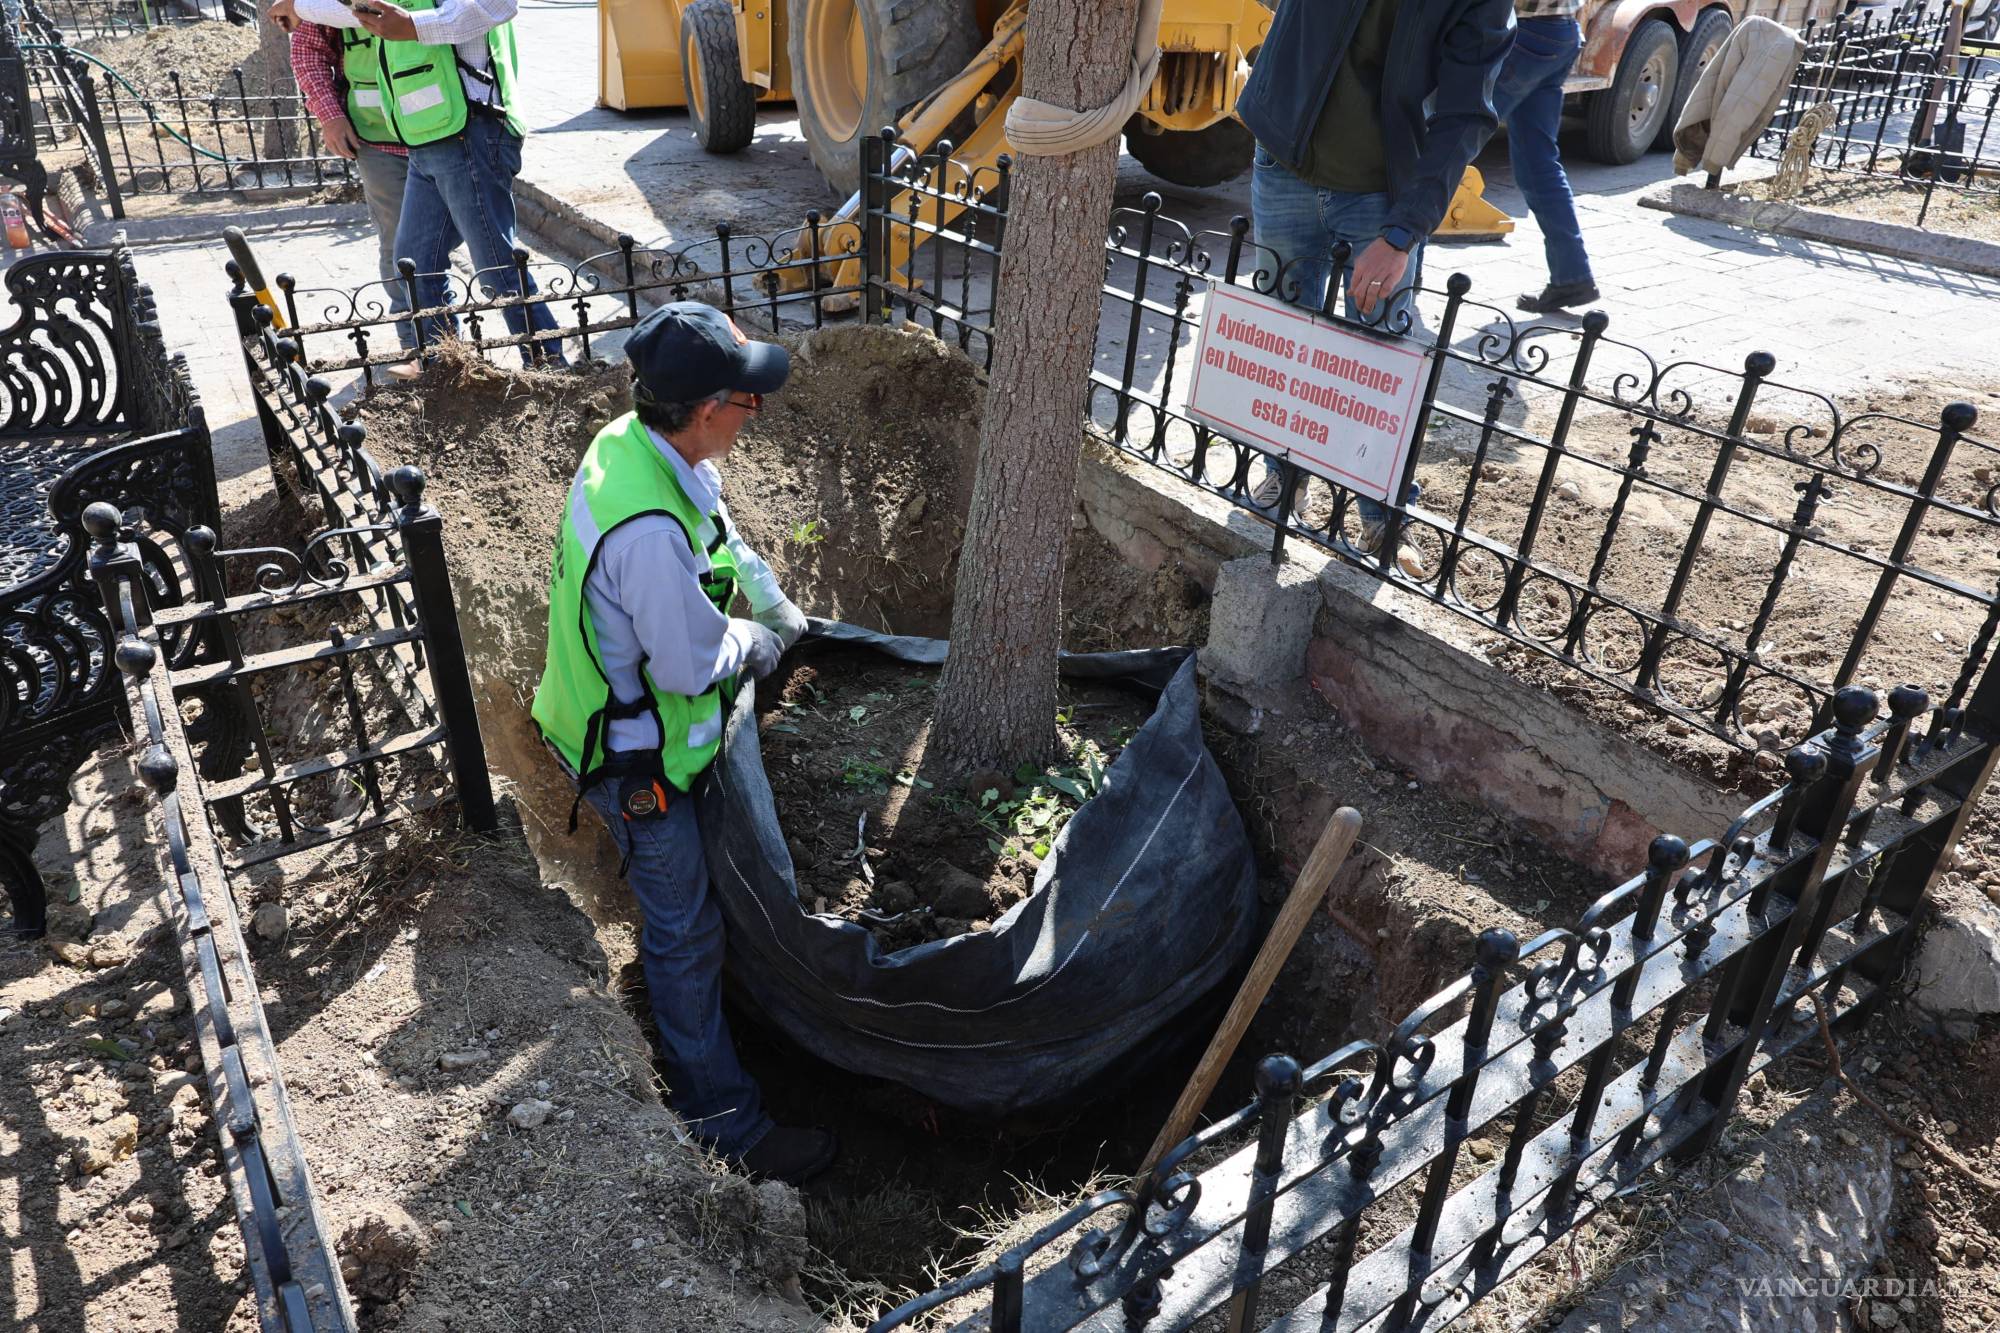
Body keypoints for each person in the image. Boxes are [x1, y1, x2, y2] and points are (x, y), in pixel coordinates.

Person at [531, 302, 832, 1185]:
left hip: (635, 729)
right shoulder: (647, 536)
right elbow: (693, 659)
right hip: (634, 764)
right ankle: (724, 1119)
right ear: (710, 411)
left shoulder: (641, 445)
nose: (757, 415)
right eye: (751, 401)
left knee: (699, 912)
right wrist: (761, 641)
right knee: (685, 927)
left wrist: (776, 603)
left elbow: (722, 534)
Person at [1234, 0, 1515, 560]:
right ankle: (1283, 479)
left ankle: (1382, 514)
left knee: (1383, 357)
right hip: (1284, 162)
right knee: (1283, 335)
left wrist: (1403, 233)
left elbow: (1465, 112)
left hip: (1382, 193)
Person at [288, 0, 563, 367]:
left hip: (469, 132)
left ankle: (550, 368)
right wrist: (298, 5)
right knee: (415, 268)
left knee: (497, 269)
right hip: (427, 138)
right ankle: (445, 374)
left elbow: (496, 5)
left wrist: (416, 25)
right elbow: (343, 9)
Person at [271, 0, 432, 379]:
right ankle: (421, 348)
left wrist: (297, 4)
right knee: (401, 246)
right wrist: (330, 115)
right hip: (379, 140)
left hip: (448, 132)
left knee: (462, 240)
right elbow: (308, 49)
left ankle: (478, 344)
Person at [1492, 0, 1598, 313]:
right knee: (1538, 163)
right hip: (1560, 30)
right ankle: (1572, 277)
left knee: (1450, 143)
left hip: (1526, 31)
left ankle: (1398, 262)